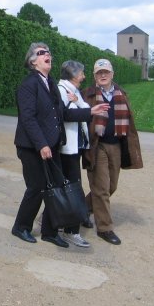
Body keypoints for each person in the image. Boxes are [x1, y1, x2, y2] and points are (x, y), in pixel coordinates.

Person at [11, 43, 109, 248]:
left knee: (54, 188)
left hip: (52, 145)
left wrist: (90, 112)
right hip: (32, 147)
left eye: (48, 52)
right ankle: (21, 227)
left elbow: (62, 113)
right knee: (37, 188)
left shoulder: (50, 83)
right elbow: (28, 119)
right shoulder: (29, 84)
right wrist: (41, 145)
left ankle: (49, 231)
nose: (47, 55)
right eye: (41, 53)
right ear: (32, 61)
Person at [82, 58, 143, 245]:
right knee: (101, 188)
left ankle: (80, 210)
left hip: (116, 145)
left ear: (112, 74)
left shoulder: (121, 94)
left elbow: (129, 123)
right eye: (99, 73)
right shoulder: (87, 94)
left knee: (111, 186)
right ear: (94, 76)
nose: (102, 75)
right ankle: (105, 228)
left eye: (105, 72)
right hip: (96, 145)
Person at [57, 60, 94, 248]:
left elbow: (84, 109)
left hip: (74, 147)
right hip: (67, 149)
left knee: (68, 187)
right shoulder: (63, 90)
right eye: (82, 73)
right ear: (72, 73)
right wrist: (87, 110)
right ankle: (71, 231)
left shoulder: (73, 91)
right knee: (73, 189)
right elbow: (64, 115)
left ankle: (55, 222)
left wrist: (81, 104)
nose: (84, 76)